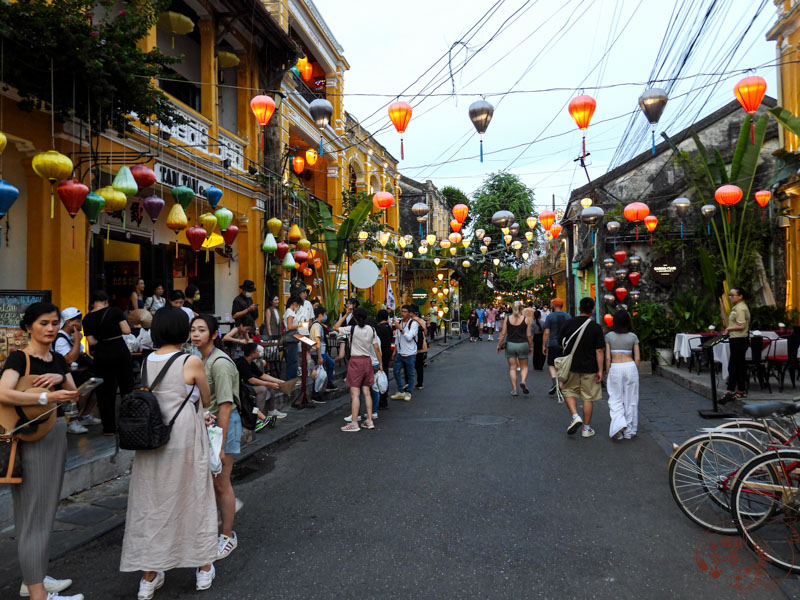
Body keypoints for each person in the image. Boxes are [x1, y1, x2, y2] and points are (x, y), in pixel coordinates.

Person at [120, 307, 217, 598]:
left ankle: (148, 577)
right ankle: (202, 569)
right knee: (194, 496)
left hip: (153, 435)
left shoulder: (148, 360)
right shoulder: (191, 360)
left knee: (152, 502)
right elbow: (206, 397)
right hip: (184, 434)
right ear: (183, 331)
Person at [0, 302, 82, 600]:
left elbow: (74, 394)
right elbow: (2, 392)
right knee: (34, 513)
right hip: (31, 436)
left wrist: (60, 378)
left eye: (54, 323)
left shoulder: (58, 359)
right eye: (43, 323)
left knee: (45, 510)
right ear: (29, 326)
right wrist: (47, 395)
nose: (50, 328)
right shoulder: (19, 358)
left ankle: (33, 579)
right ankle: (38, 593)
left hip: (55, 433)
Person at [190, 314, 240, 561]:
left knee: (222, 482)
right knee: (210, 482)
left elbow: (225, 406)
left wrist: (220, 444)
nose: (196, 334)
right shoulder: (198, 359)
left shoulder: (219, 363)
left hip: (223, 426)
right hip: (206, 426)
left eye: (202, 330)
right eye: (193, 330)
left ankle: (228, 535)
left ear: (214, 334)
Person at [83, 290, 134, 435]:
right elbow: (127, 330)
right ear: (106, 301)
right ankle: (128, 424)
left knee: (105, 392)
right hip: (119, 351)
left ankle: (108, 428)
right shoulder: (115, 311)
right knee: (126, 388)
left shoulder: (87, 318)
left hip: (101, 355)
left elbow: (91, 341)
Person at [559, 297, 605, 438]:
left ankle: (575, 415)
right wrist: (600, 370)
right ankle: (586, 428)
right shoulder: (595, 327)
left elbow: (561, 343)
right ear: (593, 310)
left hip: (571, 366)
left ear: (579, 309)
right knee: (587, 397)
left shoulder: (568, 324)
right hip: (590, 367)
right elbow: (599, 351)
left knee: (567, 391)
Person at [333, 306, 382, 432]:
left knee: (355, 394)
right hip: (367, 361)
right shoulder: (372, 329)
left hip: (355, 361)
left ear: (354, 318)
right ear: (366, 318)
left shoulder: (352, 329)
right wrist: (380, 363)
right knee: (366, 392)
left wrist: (345, 315)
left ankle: (354, 422)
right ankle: (369, 420)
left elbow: (335, 327)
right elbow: (376, 348)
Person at [52, 308, 100, 434]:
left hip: (75, 373)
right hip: (63, 377)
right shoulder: (61, 338)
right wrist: (78, 340)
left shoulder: (71, 336)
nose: (80, 324)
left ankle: (84, 415)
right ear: (68, 322)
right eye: (78, 321)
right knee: (85, 386)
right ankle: (72, 420)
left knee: (96, 384)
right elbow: (69, 359)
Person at [605, 310, 640, 440]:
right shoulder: (633, 337)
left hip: (615, 367)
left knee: (615, 398)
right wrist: (635, 371)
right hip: (630, 367)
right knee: (631, 400)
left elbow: (608, 358)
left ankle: (618, 426)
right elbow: (637, 359)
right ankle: (629, 430)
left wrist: (608, 371)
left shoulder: (609, 336)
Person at [235, 343, 287, 421]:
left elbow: (262, 375)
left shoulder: (251, 362)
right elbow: (251, 380)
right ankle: (256, 416)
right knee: (262, 389)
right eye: (257, 351)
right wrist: (269, 383)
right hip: (241, 387)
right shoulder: (241, 363)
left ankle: (271, 411)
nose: (259, 352)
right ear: (252, 353)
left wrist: (279, 381)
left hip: (248, 385)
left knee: (270, 387)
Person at [721, 287, 751, 403]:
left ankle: (741, 389)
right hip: (735, 338)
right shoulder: (736, 307)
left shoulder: (741, 309)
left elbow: (742, 325)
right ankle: (730, 389)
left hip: (740, 339)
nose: (730, 297)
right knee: (733, 364)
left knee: (739, 365)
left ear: (740, 296)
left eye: (732, 295)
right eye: (730, 295)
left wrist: (729, 328)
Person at [496, 301, 533, 396]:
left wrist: (499, 345)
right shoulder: (526, 319)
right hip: (523, 344)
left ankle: (515, 389)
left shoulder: (507, 319)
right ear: (521, 309)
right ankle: (523, 381)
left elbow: (503, 333)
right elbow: (529, 335)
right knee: (524, 366)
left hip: (511, 345)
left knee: (512, 368)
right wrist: (531, 346)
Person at [391, 305, 419, 402]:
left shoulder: (414, 324)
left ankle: (409, 392)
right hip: (400, 352)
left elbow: (409, 337)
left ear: (410, 313)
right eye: (402, 311)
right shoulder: (400, 322)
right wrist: (394, 351)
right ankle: (401, 390)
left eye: (405, 311)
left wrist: (401, 329)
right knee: (396, 371)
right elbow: (397, 338)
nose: (403, 313)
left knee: (410, 373)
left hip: (410, 353)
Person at [543, 298, 570, 396]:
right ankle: (561, 384)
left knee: (551, 364)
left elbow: (546, 332)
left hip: (553, 344)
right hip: (565, 344)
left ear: (554, 306)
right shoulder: (568, 316)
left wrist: (544, 345)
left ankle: (555, 382)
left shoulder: (550, 317)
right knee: (563, 365)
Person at [309, 307, 336, 402]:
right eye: (324, 315)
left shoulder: (318, 325)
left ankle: (329, 384)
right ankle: (315, 394)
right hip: (319, 352)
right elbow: (317, 341)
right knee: (318, 373)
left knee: (331, 363)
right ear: (320, 315)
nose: (325, 317)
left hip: (322, 351)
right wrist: (320, 356)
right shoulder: (317, 326)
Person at [375, 309, 393, 409]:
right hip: (387, 354)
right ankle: (384, 394)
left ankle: (382, 398)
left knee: (379, 376)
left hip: (380, 355)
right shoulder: (389, 328)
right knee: (384, 374)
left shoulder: (379, 329)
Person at [282, 296, 301, 382]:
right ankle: (292, 379)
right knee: (292, 360)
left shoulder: (289, 312)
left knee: (292, 360)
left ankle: (292, 378)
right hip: (291, 338)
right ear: (294, 303)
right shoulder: (290, 312)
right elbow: (290, 326)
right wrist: (300, 325)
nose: (298, 307)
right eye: (298, 305)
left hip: (291, 338)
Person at [410, 305, 428, 390]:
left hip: (413, 346)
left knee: (410, 365)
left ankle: (409, 383)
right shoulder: (422, 321)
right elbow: (426, 333)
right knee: (419, 366)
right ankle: (420, 383)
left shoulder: (411, 321)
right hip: (422, 345)